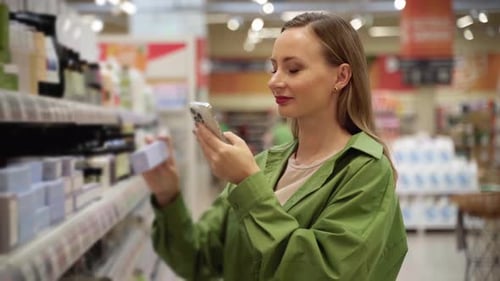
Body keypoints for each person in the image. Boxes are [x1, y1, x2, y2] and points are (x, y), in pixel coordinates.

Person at [142, 12, 408, 281]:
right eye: (274, 68)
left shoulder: (366, 172)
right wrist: (168, 197)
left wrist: (249, 185)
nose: (274, 81)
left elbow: (321, 273)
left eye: (293, 69)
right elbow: (198, 259)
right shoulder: (262, 165)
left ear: (340, 77)